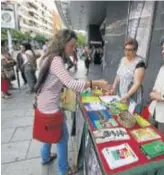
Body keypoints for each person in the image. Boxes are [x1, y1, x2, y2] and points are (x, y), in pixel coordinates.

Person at [34, 29, 109, 175]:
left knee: (47, 133)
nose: (74, 49)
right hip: (50, 108)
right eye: (72, 46)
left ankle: (45, 157)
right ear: (62, 44)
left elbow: (56, 80)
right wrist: (96, 83)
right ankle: (63, 170)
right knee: (63, 138)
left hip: (42, 105)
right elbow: (70, 83)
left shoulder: (48, 57)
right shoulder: (56, 60)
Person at [111, 39, 146, 113]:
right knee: (120, 114)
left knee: (130, 116)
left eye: (130, 50)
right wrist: (113, 87)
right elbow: (118, 75)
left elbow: (137, 83)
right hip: (121, 92)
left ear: (135, 50)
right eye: (126, 49)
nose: (127, 52)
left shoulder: (140, 63)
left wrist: (127, 95)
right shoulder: (123, 59)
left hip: (132, 96)